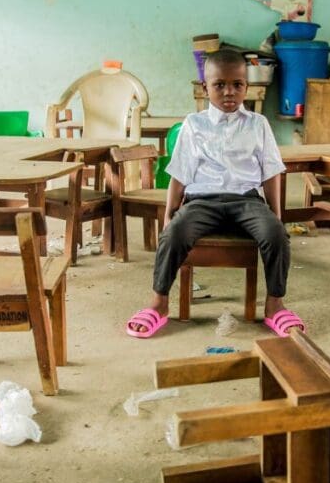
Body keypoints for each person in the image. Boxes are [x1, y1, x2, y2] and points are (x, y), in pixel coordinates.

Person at [125, 49, 305, 339]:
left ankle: (275, 305)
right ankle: (158, 304)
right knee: (174, 234)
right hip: (202, 202)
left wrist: (276, 215)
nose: (229, 92)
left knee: (275, 234)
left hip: (246, 200)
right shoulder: (194, 124)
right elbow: (180, 171)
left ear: (247, 86)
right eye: (219, 84)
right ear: (205, 87)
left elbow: (271, 172)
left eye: (237, 84)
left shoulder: (258, 124)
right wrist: (170, 213)